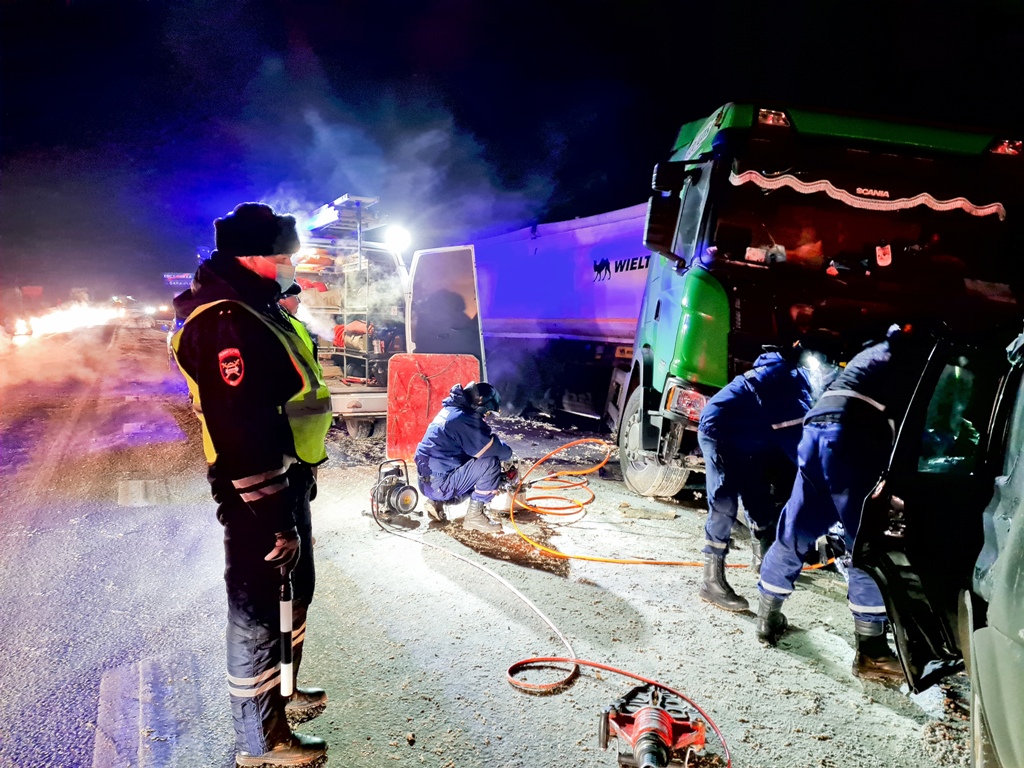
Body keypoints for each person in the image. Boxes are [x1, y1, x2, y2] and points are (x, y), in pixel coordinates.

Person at [170, 203, 333, 766]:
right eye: (283, 254)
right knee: (258, 611)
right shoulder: (225, 321)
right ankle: (261, 741)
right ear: (252, 256)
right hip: (255, 497)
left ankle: (282, 694)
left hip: (286, 481)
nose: (291, 263)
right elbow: (240, 428)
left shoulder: (257, 307)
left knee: (294, 593)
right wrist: (275, 518)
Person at [756, 324, 931, 683]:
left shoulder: (876, 350)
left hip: (817, 428)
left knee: (797, 527)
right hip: (852, 434)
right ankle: (872, 653)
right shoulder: (917, 354)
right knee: (866, 542)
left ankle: (767, 617)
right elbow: (917, 423)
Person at [696, 342, 815, 612]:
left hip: (751, 437)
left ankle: (763, 561)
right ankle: (710, 582)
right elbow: (800, 449)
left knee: (758, 493)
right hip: (720, 432)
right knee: (725, 501)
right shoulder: (785, 382)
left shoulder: (792, 374)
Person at [414, 381, 513, 533]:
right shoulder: (463, 420)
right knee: (490, 463)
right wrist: (509, 456)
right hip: (440, 486)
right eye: (486, 413)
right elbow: (493, 449)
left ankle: (436, 502)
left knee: (469, 460)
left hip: (426, 483)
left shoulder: (451, 411)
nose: (485, 417)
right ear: (480, 406)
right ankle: (475, 517)